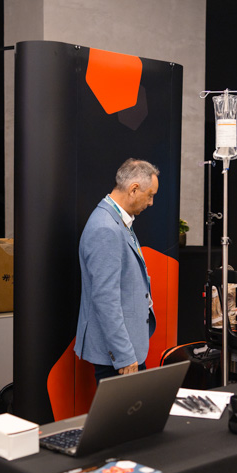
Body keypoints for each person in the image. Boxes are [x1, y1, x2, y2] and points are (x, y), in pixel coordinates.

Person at [75, 158, 159, 383]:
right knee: (123, 408)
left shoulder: (117, 220)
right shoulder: (106, 227)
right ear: (134, 189)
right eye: (150, 195)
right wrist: (123, 355)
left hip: (127, 348)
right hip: (119, 355)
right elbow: (105, 299)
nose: (151, 202)